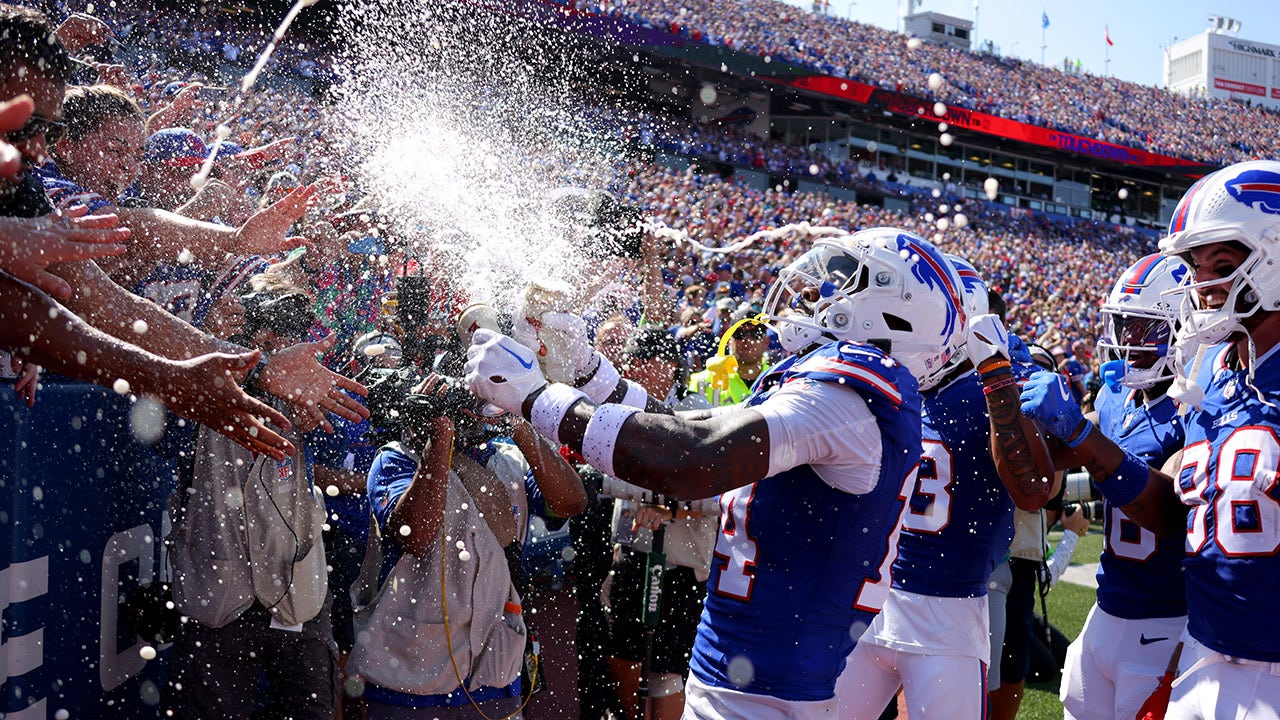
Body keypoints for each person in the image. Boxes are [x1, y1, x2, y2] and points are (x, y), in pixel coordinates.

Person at [465, 228, 976, 716]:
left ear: (888, 312)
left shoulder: (847, 396)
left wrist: (533, 396)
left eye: (844, 283)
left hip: (765, 697)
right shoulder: (845, 392)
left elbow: (691, 458)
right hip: (755, 682)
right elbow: (684, 425)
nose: (819, 295)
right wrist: (586, 370)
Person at [1020, 159, 1280, 720]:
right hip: (1203, 650)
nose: (1202, 286)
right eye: (1195, 266)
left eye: (1223, 264)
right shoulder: (1210, 371)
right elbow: (1170, 507)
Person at [836, 255, 1056, 720]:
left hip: (948, 612)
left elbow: (1035, 490)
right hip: (875, 594)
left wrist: (997, 374)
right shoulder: (893, 378)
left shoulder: (996, 383)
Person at [349, 371, 587, 720]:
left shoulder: (506, 458)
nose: (470, 409)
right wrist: (439, 437)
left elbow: (571, 502)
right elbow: (415, 536)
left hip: (494, 673)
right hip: (408, 678)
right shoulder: (395, 460)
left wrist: (518, 422)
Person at [164, 272, 338, 719]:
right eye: (271, 324)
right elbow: (165, 433)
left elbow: (341, 450)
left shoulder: (303, 389)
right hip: (218, 596)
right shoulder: (208, 375)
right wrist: (211, 339)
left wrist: (306, 414)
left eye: (295, 327)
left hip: (298, 592)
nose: (283, 339)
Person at [1058, 254, 1189, 720]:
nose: (1128, 340)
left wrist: (1079, 434)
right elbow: (1060, 455)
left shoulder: (1195, 407)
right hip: (1104, 609)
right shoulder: (1117, 396)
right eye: (1124, 324)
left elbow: (1168, 510)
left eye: (1145, 327)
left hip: (1165, 620)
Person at [604, 327, 716, 720]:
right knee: (622, 652)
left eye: (645, 360)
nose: (635, 368)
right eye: (633, 360)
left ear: (670, 368)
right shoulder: (620, 410)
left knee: (669, 665)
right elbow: (604, 475)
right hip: (633, 553)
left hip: (682, 563)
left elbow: (719, 493)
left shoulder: (699, 410)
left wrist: (672, 510)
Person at [687, 317, 770, 407]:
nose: (747, 339)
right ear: (729, 342)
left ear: (766, 341)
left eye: (755, 334)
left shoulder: (778, 378)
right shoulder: (701, 382)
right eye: (739, 334)